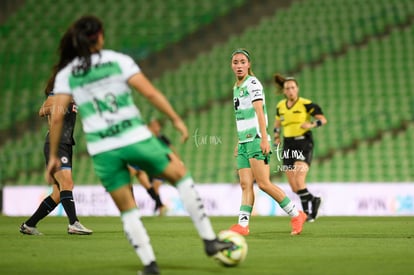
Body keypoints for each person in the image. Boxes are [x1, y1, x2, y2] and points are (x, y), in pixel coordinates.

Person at [45, 15, 233, 275]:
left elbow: (56, 116)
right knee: (180, 175)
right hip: (134, 137)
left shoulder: (66, 74)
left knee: (128, 210)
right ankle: (210, 240)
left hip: (102, 150)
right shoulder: (118, 61)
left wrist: (54, 154)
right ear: (100, 36)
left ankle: (150, 265)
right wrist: (176, 119)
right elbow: (151, 93)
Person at [229, 48, 307, 236]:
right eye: (235, 62)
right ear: (231, 66)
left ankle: (297, 214)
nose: (239, 65)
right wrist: (239, 141)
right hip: (244, 141)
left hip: (256, 140)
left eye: (242, 62)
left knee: (263, 184)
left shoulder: (252, 83)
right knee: (245, 184)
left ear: (249, 65)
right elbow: (241, 117)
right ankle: (243, 225)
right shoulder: (236, 87)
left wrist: (264, 138)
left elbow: (259, 112)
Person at [19, 77, 92, 236]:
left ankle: (29, 225)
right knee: (67, 183)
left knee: (58, 194)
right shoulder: (57, 94)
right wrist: (56, 107)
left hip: (65, 144)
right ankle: (74, 223)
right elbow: (42, 110)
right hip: (56, 142)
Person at [273, 73, 327, 222]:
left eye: (292, 87)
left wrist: (311, 124)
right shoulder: (280, 106)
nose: (290, 90)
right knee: (294, 187)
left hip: (304, 142)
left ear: (297, 89)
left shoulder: (305, 104)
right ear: (284, 91)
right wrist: (276, 136)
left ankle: (306, 214)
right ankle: (314, 200)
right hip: (288, 144)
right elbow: (277, 124)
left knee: (299, 176)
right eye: (287, 88)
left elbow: (323, 119)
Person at [129, 118, 173, 216]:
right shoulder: (143, 133)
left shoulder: (158, 138)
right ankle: (160, 205)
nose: (154, 127)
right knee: (148, 186)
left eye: (156, 125)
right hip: (138, 160)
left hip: (140, 161)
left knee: (128, 181)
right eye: (153, 125)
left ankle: (132, 208)